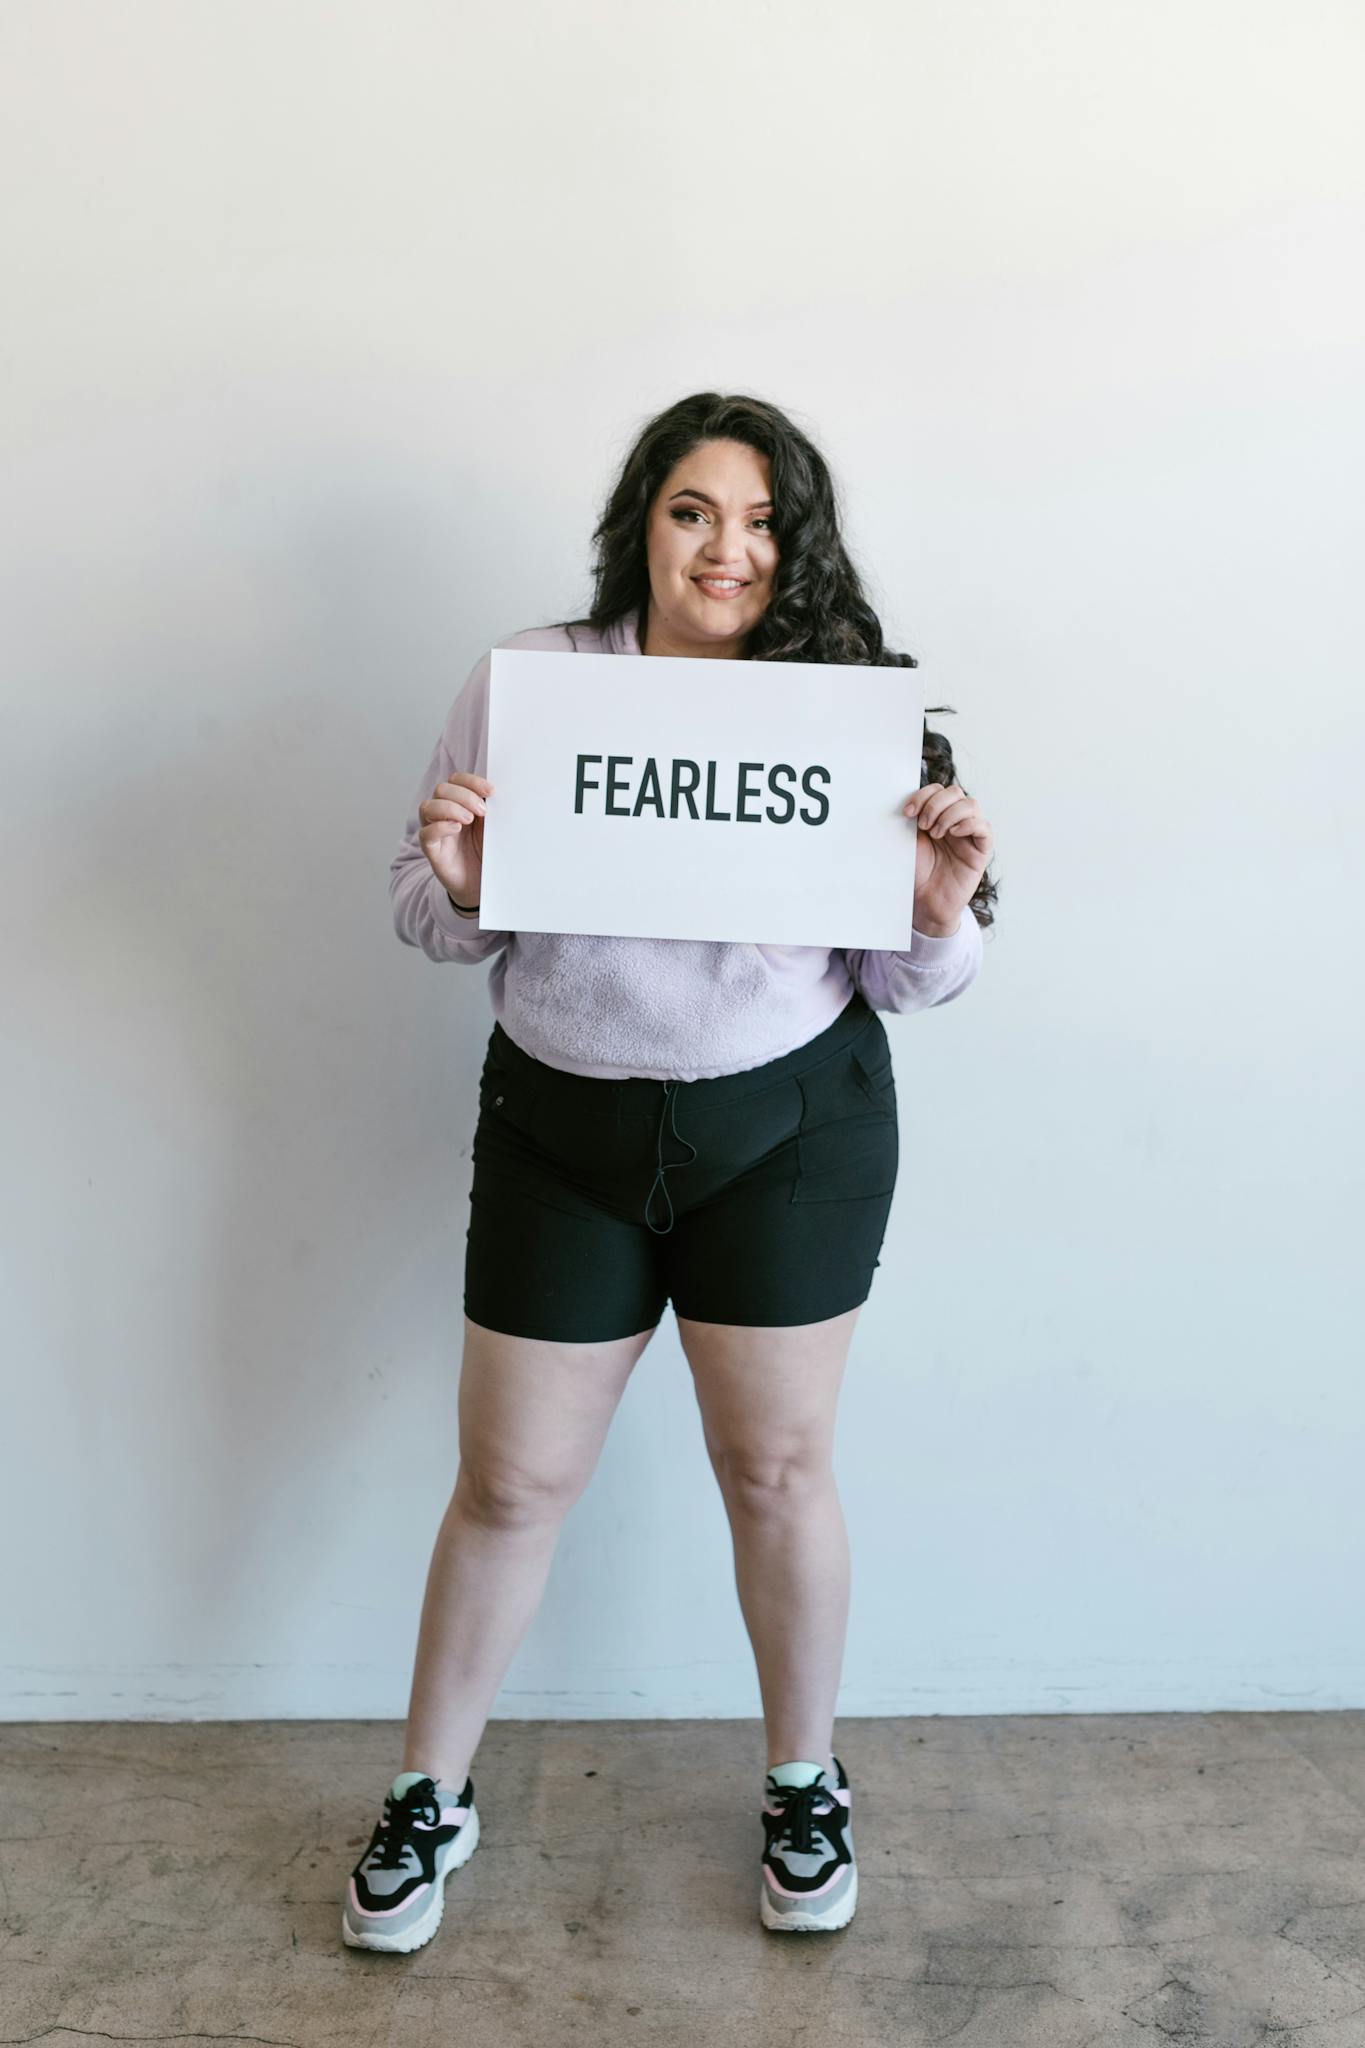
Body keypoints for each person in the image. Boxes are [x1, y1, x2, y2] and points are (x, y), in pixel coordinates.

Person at [342, 392, 997, 1953]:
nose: (728, 546)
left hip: (788, 1128)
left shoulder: (838, 707)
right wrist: (458, 880)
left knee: (774, 1472)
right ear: (641, 519)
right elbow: (434, 918)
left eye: (764, 519)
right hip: (562, 1125)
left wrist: (937, 901)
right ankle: (432, 1793)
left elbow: (914, 984)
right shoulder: (540, 685)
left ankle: (802, 1776)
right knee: (508, 1482)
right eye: (695, 509)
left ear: (801, 544)